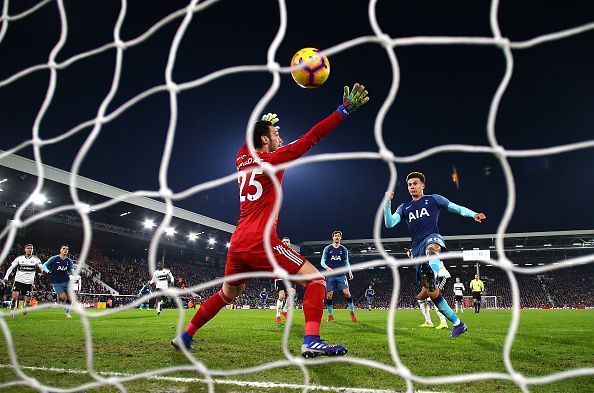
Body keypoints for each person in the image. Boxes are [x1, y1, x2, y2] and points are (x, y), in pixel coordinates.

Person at [171, 83, 369, 357]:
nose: (280, 137)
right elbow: (312, 137)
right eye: (275, 134)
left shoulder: (240, 159)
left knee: (226, 295)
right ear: (265, 140)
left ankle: (185, 334)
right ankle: (311, 340)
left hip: (238, 242)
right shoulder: (274, 159)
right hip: (260, 241)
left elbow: (248, 140)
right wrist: (343, 111)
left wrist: (261, 124)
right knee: (317, 281)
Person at [384, 172, 486, 338]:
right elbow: (389, 224)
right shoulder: (404, 207)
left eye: (415, 183)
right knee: (432, 293)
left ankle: (432, 269)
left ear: (423, 185)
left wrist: (473, 214)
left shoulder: (433, 199)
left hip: (431, 238)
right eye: (409, 185)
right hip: (417, 250)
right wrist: (387, 203)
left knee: (432, 248)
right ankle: (458, 324)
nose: (412, 187)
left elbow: (457, 208)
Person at [321, 231, 357, 322]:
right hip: (330, 275)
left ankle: (352, 312)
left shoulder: (344, 249)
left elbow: (346, 262)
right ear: (332, 237)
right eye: (335, 236)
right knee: (329, 296)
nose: (337, 237)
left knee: (346, 293)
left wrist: (350, 272)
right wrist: (327, 267)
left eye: (338, 236)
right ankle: (330, 315)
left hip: (341, 275)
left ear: (341, 238)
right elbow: (322, 261)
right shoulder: (327, 249)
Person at [2, 243, 43, 317]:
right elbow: (11, 268)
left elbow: (42, 268)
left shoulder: (36, 259)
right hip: (18, 281)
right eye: (28, 248)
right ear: (25, 249)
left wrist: (41, 272)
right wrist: (6, 276)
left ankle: (25, 306)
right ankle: (12, 311)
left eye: (31, 248)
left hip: (29, 283)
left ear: (33, 250)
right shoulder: (19, 258)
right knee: (14, 298)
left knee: (27, 301)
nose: (30, 249)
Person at [41, 244, 74, 318]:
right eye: (64, 248)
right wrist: (48, 271)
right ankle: (62, 302)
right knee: (63, 297)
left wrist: (75, 275)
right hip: (56, 282)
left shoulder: (69, 261)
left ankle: (67, 313)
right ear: (60, 250)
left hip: (66, 281)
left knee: (70, 297)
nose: (65, 250)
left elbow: (72, 270)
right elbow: (43, 265)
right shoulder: (54, 258)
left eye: (67, 249)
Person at [274, 236, 297, 323]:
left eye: (287, 241)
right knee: (282, 296)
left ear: (289, 243)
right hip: (279, 278)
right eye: (284, 242)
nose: (285, 243)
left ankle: (285, 310)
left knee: (292, 294)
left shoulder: (293, 253)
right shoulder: (277, 253)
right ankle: (277, 315)